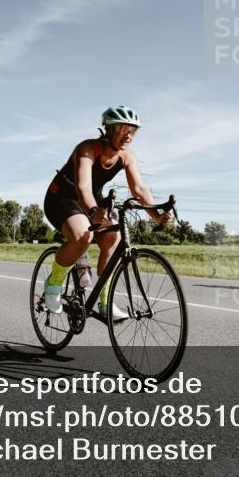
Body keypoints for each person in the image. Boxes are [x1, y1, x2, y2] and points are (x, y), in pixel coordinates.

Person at [42, 106, 173, 320]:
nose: (128, 135)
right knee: (83, 234)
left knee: (114, 236)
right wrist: (93, 211)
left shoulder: (127, 157)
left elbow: (139, 189)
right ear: (109, 130)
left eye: (133, 130)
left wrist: (157, 215)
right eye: (122, 129)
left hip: (92, 199)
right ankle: (54, 283)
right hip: (62, 198)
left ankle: (105, 302)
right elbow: (83, 187)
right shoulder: (87, 148)